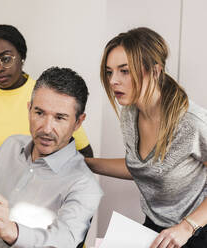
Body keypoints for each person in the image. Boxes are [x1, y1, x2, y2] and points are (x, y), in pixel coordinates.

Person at [86, 27, 207, 248]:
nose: (113, 81)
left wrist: (187, 227)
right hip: (155, 226)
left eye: (124, 71)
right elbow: (142, 168)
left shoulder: (191, 122)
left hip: (196, 230)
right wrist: (86, 164)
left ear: (155, 71)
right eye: (109, 72)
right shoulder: (129, 114)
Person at [0, 67, 102, 248]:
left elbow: (64, 242)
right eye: (39, 113)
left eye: (60, 118)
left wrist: (11, 230)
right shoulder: (9, 147)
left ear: (78, 122)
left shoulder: (84, 185)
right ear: (29, 109)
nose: (47, 128)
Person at [0, 25, 93, 191]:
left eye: (6, 59)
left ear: (21, 56)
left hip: (47, 206)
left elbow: (84, 154)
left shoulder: (47, 94)